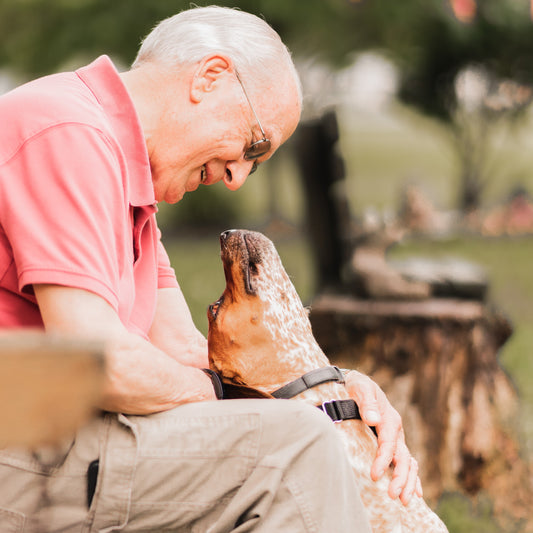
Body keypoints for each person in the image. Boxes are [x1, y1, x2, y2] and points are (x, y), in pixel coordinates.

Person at [0, 6, 421, 532]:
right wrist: (276, 410)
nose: (238, 177)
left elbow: (182, 352)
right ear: (210, 77)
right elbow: (101, 364)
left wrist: (332, 391)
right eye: (254, 144)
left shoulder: (129, 186)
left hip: (58, 444)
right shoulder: (65, 131)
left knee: (303, 434)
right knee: (294, 450)